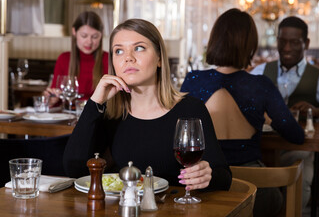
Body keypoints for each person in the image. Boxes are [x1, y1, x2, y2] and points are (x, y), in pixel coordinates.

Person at [63, 19, 232, 192]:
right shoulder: (110, 114)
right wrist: (94, 102)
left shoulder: (190, 109)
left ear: (159, 58)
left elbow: (223, 178)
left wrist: (206, 176)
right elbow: (74, 169)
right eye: (119, 51)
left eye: (139, 48)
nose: (128, 57)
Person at [181, 8, 305, 216]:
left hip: (206, 185)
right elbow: (296, 135)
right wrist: (268, 118)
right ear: (250, 45)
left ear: (215, 40)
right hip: (255, 186)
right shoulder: (260, 85)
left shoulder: (193, 80)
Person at [251, 16, 319, 207]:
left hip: (298, 150)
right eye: (282, 42)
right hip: (261, 150)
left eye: (294, 42)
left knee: (300, 182)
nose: (287, 48)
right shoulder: (259, 72)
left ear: (306, 43)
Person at [44, 11, 109, 104]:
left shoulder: (108, 59)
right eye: (84, 36)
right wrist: (51, 99)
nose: (89, 42)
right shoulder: (64, 59)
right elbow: (56, 97)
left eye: (95, 37)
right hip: (69, 115)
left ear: (101, 34)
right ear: (74, 32)